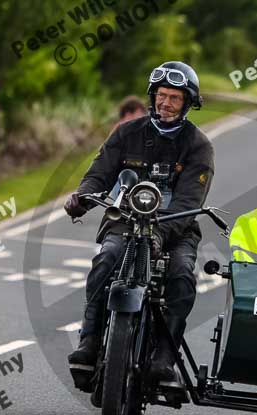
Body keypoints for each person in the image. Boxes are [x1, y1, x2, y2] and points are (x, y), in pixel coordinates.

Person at [65, 61, 214, 387]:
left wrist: (161, 231)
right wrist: (83, 197)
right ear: (152, 97)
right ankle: (89, 341)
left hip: (176, 229)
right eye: (162, 95)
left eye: (175, 97)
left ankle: (163, 356)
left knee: (181, 276)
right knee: (106, 259)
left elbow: (190, 202)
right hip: (125, 221)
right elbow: (98, 174)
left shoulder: (198, 145)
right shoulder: (126, 132)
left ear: (188, 102)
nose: (166, 103)